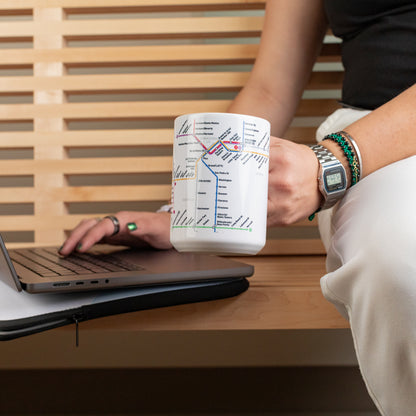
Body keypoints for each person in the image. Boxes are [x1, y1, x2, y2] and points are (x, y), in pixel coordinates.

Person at [59, 1, 416, 414]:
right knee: (394, 262)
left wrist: (332, 161)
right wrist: (190, 214)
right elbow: (270, 88)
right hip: (373, 152)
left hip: (350, 152)